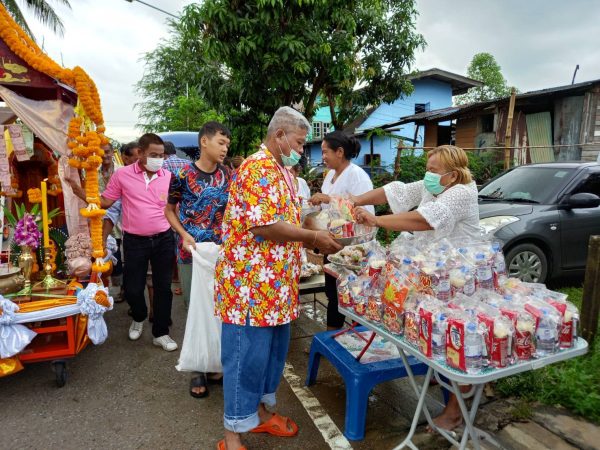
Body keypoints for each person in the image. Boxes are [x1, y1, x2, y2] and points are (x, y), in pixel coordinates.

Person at [214, 107, 342, 450]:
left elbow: (288, 216)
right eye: (300, 142)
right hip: (250, 286)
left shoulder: (282, 169)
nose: (302, 149)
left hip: (276, 284)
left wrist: (319, 225)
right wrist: (313, 238)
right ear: (280, 135)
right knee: (244, 358)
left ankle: (258, 415)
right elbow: (263, 226)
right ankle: (232, 435)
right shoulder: (258, 167)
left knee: (269, 357)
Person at [351, 144, 480, 431]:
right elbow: (394, 191)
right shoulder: (433, 184)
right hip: (434, 270)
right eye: (428, 168)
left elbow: (424, 220)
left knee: (453, 334)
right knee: (432, 327)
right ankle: (440, 372)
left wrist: (377, 219)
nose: (427, 174)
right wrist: (357, 199)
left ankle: (455, 410)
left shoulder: (462, 192)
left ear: (453, 175)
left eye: (433, 170)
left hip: (460, 275)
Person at [164, 121, 233, 398]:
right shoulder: (182, 174)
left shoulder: (228, 175)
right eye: (220, 143)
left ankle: (215, 362)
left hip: (221, 253)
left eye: (227, 144)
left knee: (219, 310)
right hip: (191, 252)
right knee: (195, 309)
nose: (225, 149)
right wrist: (183, 235)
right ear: (204, 142)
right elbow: (169, 211)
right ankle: (197, 369)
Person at [100, 133, 177, 352]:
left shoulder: (168, 176)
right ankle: (139, 316)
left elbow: (174, 208)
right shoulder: (122, 175)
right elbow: (107, 201)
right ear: (140, 153)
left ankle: (161, 333)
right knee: (133, 289)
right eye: (153, 155)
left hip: (163, 238)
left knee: (163, 288)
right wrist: (81, 193)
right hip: (134, 241)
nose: (158, 159)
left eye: (161, 155)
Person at [308, 130, 374, 330]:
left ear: (339, 152)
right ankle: (333, 337)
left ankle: (358, 337)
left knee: (353, 293)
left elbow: (365, 215)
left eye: (325, 151)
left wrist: (328, 199)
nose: (323, 157)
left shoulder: (357, 176)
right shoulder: (330, 176)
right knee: (332, 293)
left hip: (353, 250)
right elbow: (331, 211)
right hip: (333, 245)